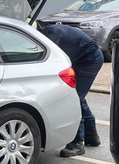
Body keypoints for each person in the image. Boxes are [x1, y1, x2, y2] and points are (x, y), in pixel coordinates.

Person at [37, 21, 104, 157]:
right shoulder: (52, 30)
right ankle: (91, 136)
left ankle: (77, 143)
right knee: (79, 96)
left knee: (74, 98)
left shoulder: (51, 34)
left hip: (90, 59)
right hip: (84, 58)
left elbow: (49, 58)